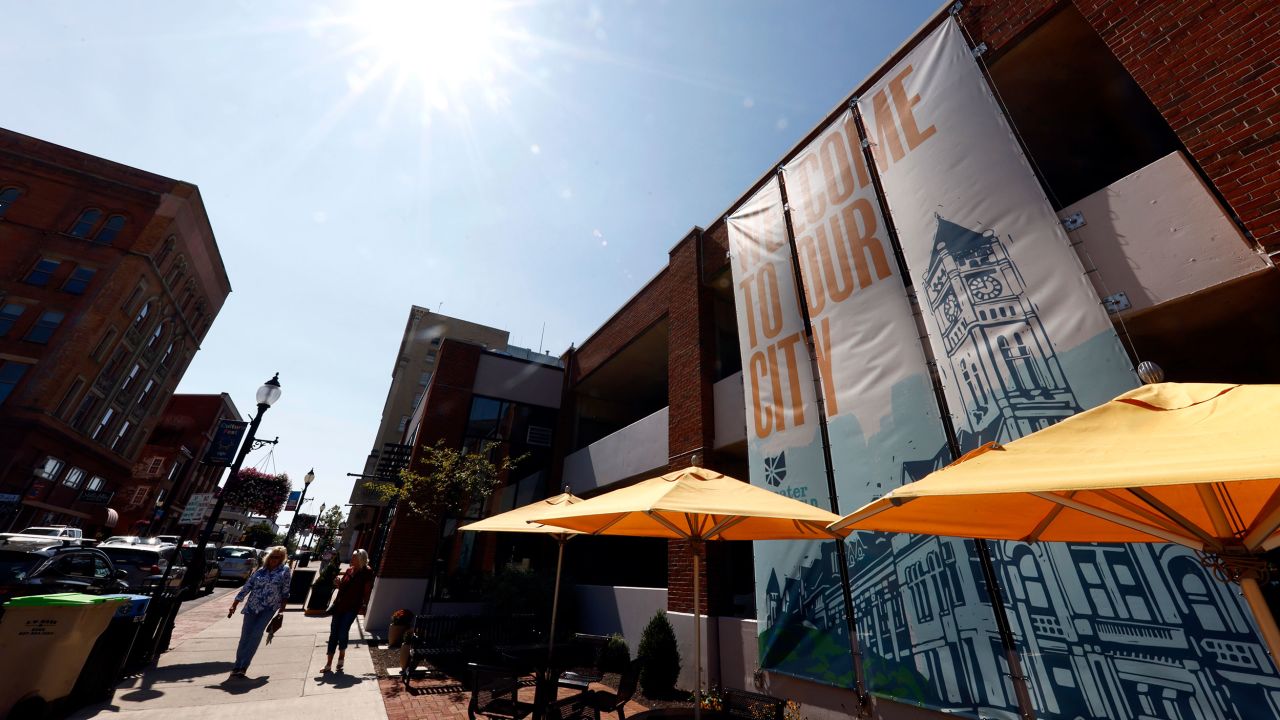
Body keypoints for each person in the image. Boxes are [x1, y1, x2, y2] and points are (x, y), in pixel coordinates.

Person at [227, 545, 290, 677]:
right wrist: (235, 604)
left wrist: (282, 610)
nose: (274, 559)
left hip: (269, 607)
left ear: (281, 559)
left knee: (256, 634)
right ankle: (237, 665)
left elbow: (285, 590)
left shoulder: (284, 571)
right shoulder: (261, 570)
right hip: (252, 606)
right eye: (272, 557)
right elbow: (247, 586)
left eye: (277, 557)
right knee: (245, 636)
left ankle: (244, 665)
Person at [322, 548, 375, 674]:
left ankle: (341, 655)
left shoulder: (367, 572)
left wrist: (364, 606)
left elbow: (367, 591)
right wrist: (338, 583)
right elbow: (342, 587)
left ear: (361, 559)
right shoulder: (349, 570)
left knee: (342, 631)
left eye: (354, 557)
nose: (351, 559)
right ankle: (328, 663)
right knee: (333, 632)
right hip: (340, 605)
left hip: (352, 607)